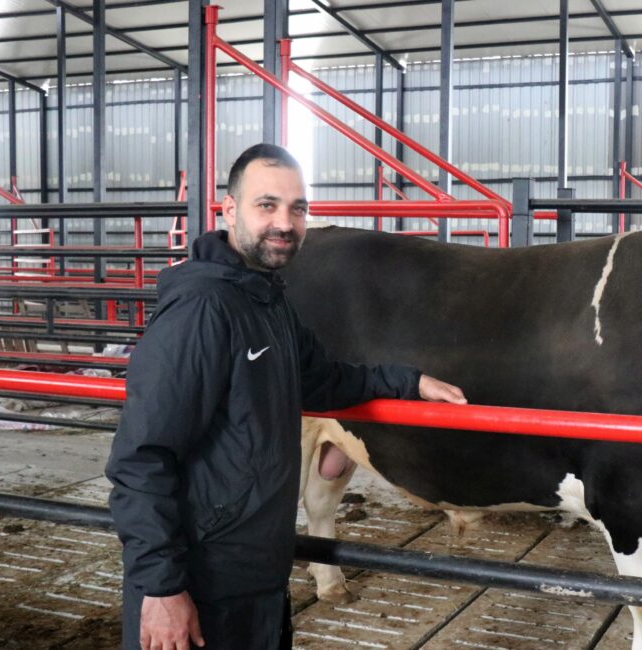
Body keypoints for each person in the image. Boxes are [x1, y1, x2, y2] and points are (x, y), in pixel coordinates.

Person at [105, 143, 467, 650]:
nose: (285, 222)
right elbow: (141, 459)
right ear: (229, 210)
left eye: (298, 208)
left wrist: (409, 383)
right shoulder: (202, 311)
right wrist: (162, 588)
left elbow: (321, 379)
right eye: (266, 205)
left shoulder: (268, 300)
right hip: (203, 579)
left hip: (259, 570)